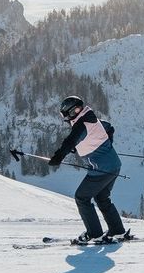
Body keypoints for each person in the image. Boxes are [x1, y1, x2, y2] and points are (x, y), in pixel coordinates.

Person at [48, 95, 132, 244]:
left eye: (66, 114)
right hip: (114, 165)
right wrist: (106, 145)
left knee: (82, 198)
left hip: (101, 170)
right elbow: (109, 127)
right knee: (102, 198)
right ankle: (118, 231)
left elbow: (70, 141)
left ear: (72, 112)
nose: (66, 118)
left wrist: (58, 157)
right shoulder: (90, 118)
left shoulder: (82, 124)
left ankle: (95, 234)